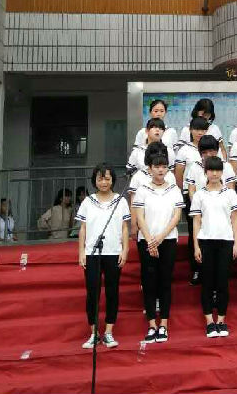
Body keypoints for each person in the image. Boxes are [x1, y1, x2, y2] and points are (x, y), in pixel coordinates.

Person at [133, 147, 184, 343]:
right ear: (150, 169)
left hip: (168, 240)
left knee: (165, 281)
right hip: (146, 241)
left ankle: (163, 324)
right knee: (149, 282)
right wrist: (150, 240)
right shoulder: (142, 190)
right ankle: (151, 325)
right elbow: (140, 217)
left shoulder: (174, 190)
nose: (161, 170)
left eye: (164, 167)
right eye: (157, 167)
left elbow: (176, 217)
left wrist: (161, 237)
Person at [76, 165, 129, 349]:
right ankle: (93, 333)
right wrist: (81, 252)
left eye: (107, 178)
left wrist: (125, 250)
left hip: (114, 252)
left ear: (112, 180)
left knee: (112, 292)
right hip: (92, 253)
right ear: (94, 181)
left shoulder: (120, 201)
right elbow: (83, 229)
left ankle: (108, 332)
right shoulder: (88, 201)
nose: (104, 182)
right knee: (93, 293)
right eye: (100, 179)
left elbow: (124, 228)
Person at [190, 156, 237, 338]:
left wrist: (236, 243)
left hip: (226, 241)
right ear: (205, 172)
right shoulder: (199, 195)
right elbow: (196, 221)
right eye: (211, 170)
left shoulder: (230, 194)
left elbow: (234, 219)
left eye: (218, 170)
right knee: (207, 283)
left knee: (223, 282)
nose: (214, 173)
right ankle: (209, 321)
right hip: (206, 241)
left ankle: (221, 320)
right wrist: (196, 246)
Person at [175, 117, 210, 284]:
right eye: (197, 129)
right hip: (191, 195)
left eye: (203, 129)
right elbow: (179, 173)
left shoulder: (211, 147)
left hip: (211, 197)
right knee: (194, 232)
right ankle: (196, 269)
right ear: (191, 130)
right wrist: (180, 193)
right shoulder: (184, 150)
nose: (200, 133)